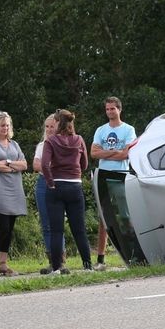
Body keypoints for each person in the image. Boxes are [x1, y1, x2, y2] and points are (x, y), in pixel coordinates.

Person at [41, 109, 93, 274]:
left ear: (57, 122)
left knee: (57, 230)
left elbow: (44, 164)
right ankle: (87, 266)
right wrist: (76, 171)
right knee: (79, 229)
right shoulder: (79, 140)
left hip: (56, 186)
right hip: (74, 186)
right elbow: (84, 164)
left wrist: (50, 182)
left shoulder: (51, 141)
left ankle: (56, 268)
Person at [90, 96, 136, 271]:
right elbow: (93, 153)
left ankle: (132, 254)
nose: (109, 112)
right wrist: (114, 152)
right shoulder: (101, 130)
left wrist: (105, 152)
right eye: (107, 109)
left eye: (112, 109)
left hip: (120, 176)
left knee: (125, 216)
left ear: (119, 109)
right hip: (103, 176)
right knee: (104, 218)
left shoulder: (128, 130)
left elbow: (126, 154)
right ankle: (101, 259)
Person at [0, 111, 29, 277]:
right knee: (3, 227)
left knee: (10, 228)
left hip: (15, 190)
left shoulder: (14, 144)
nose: (5, 128)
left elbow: (24, 165)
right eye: (2, 125)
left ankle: (3, 263)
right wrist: (11, 167)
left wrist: (8, 163)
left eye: (8, 125)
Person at [33, 113, 67, 273]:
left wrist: (47, 166)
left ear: (59, 127)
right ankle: (52, 261)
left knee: (58, 223)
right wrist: (49, 167)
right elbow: (36, 165)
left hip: (59, 183)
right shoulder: (42, 145)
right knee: (46, 224)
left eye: (51, 126)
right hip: (43, 183)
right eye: (46, 126)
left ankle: (61, 260)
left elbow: (65, 164)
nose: (48, 129)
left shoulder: (63, 143)